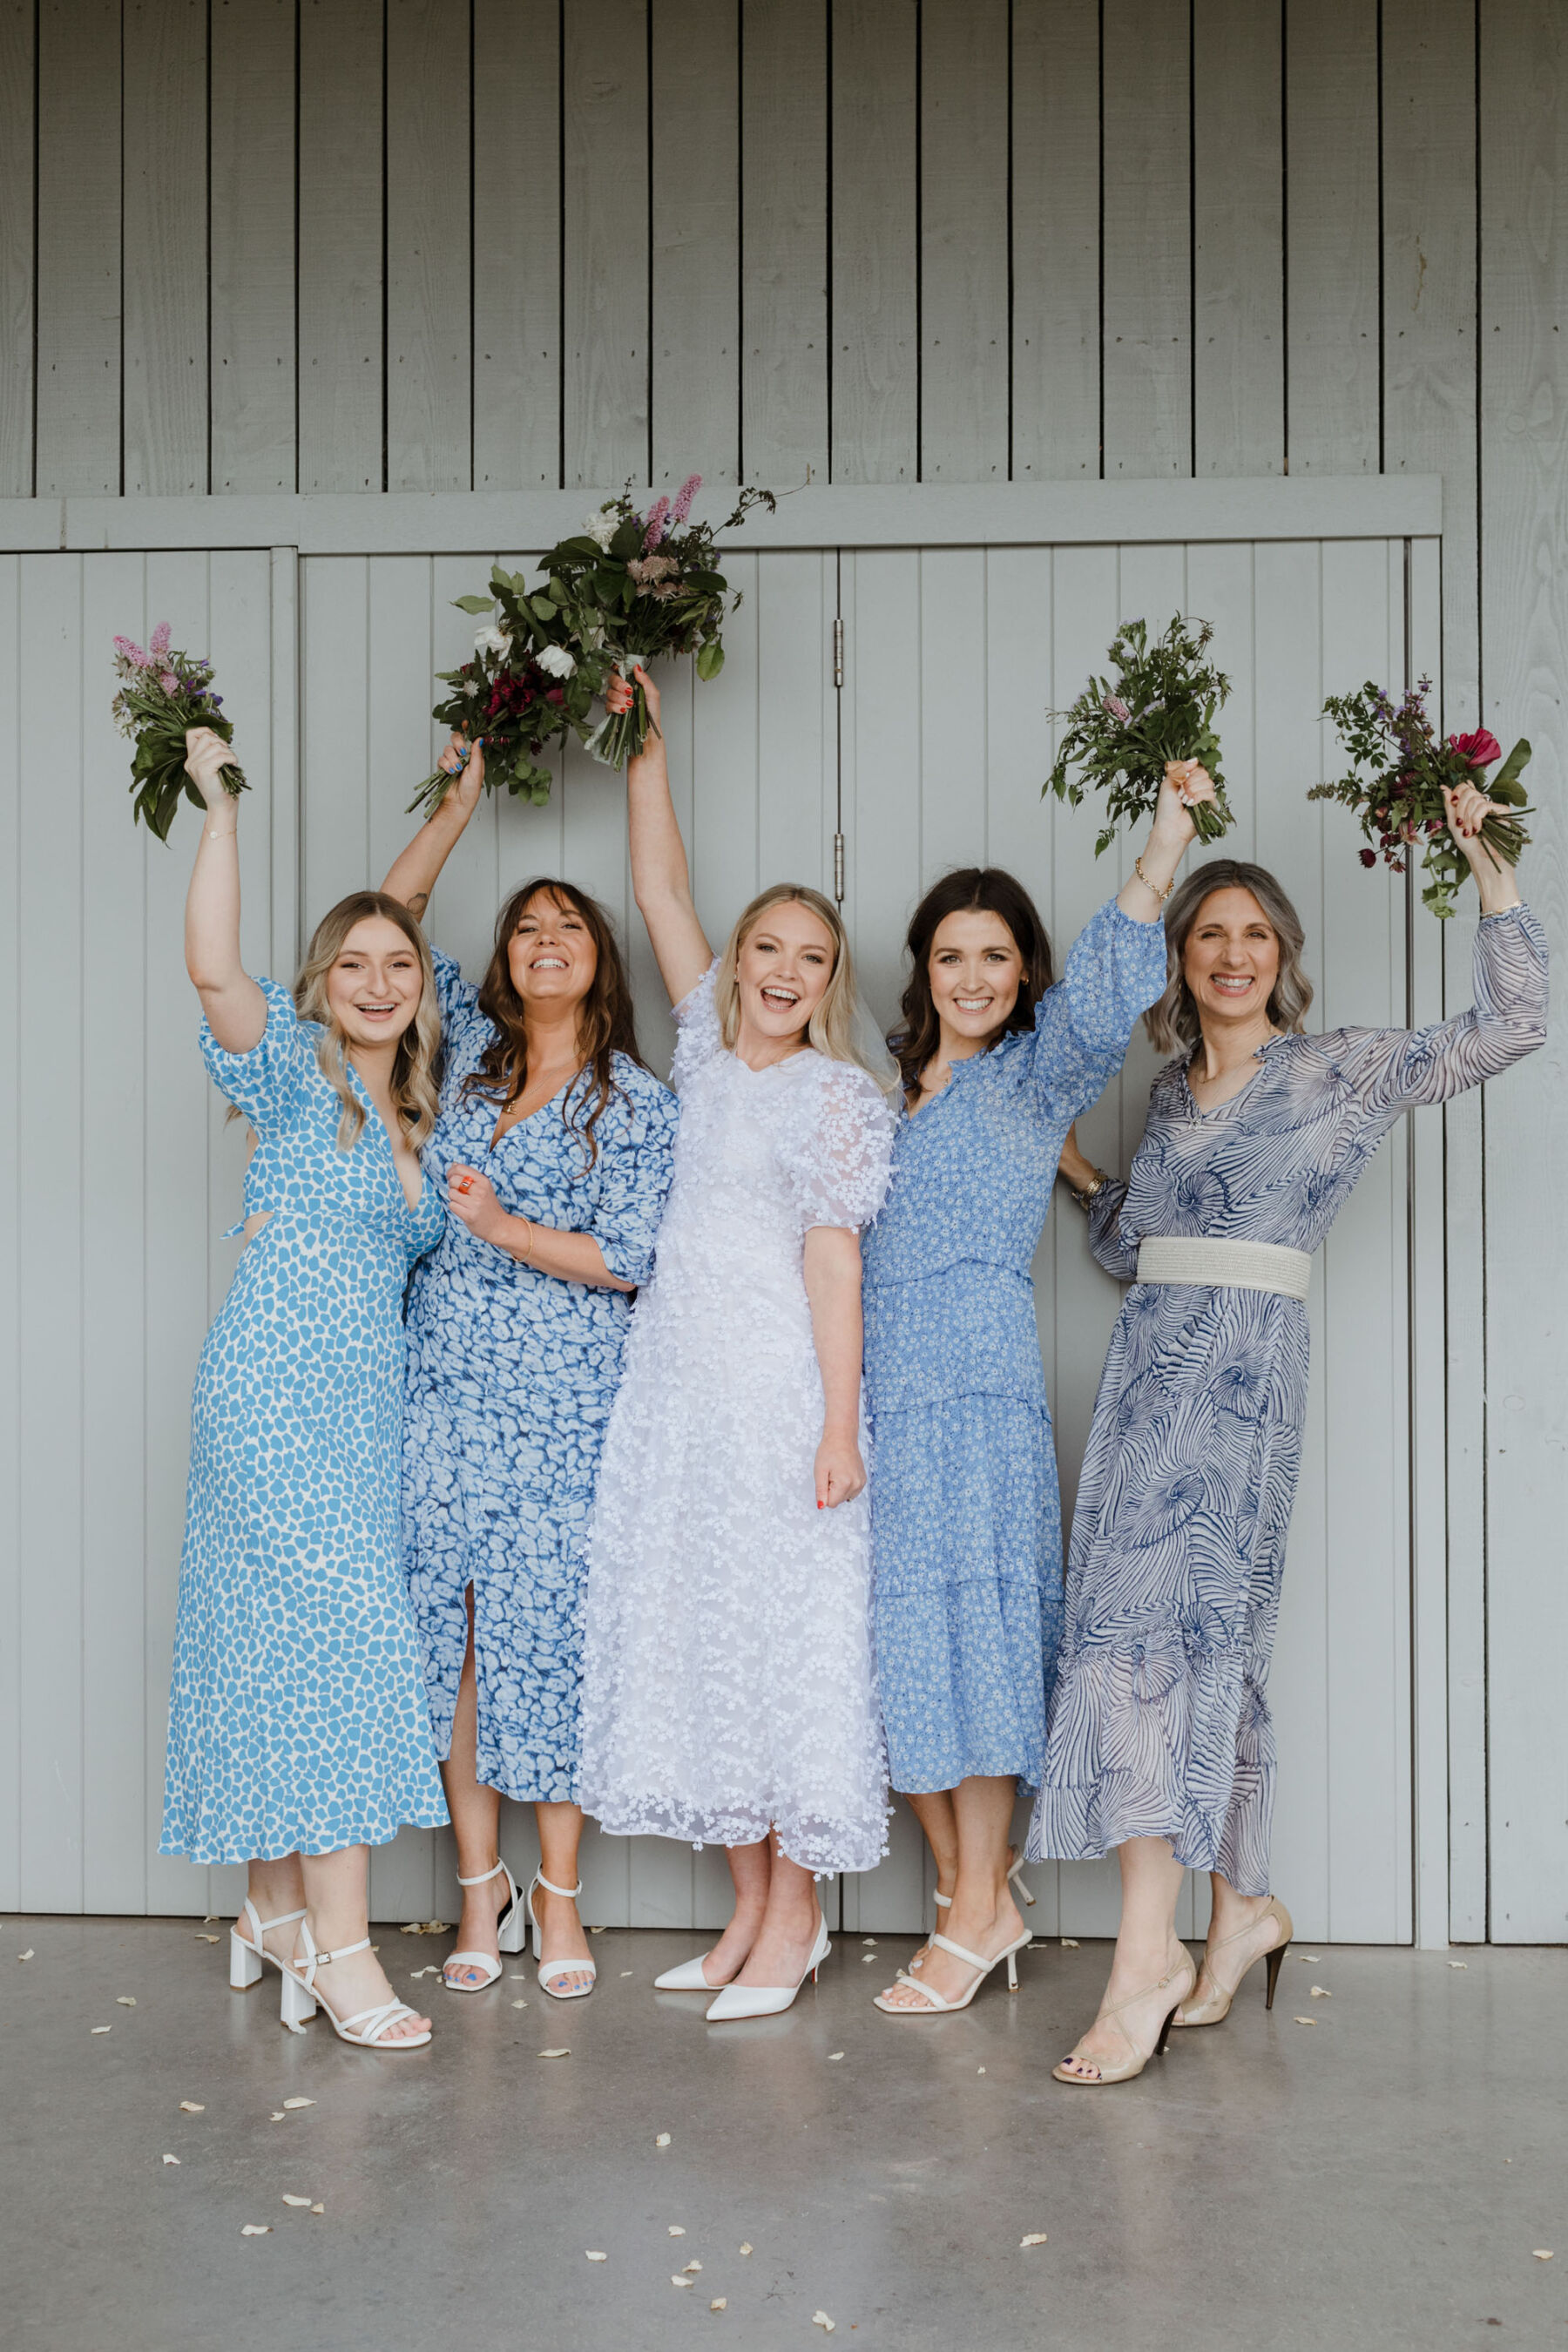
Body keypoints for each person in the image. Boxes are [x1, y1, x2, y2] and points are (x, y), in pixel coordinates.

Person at [1037, 779, 1549, 2084]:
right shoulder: (1162, 1093)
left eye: (1253, 933)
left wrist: (1485, 857)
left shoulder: (1341, 1069)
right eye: (1207, 932)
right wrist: (1075, 1165)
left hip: (1247, 1386)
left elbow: (1518, 1022)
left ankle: (1142, 1958)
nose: (1229, 952)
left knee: (1171, 1643)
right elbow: (1133, 1245)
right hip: (1149, 1374)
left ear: (1284, 956)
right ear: (1181, 959)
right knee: (1165, 1645)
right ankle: (1240, 1913)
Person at [865, 766, 1216, 2017]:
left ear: (1021, 974)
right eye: (952, 955)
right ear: (924, 968)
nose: (972, 977)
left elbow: (1112, 980)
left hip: (973, 1380)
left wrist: (1164, 837)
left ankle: (969, 1913)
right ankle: (982, 1895)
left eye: (995, 956)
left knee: (977, 1636)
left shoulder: (1033, 1074)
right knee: (896, 1642)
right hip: (872, 1388)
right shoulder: (883, 1093)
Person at [577, 664, 896, 2023]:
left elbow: (834, 1264)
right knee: (704, 1640)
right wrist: (641, 738)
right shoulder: (704, 1055)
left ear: (829, 983)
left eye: (808, 960)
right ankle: (749, 1906)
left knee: (776, 1647)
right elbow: (657, 889)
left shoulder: (835, 1099)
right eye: (765, 949)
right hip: (678, 1393)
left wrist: (837, 1425)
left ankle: (799, 1914)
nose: (780, 972)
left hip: (777, 1397)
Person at [163, 727, 447, 2052]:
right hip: (272, 1397)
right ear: (321, 987)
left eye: (399, 967)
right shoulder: (296, 1078)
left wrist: (454, 807)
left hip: (362, 1415)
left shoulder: (414, 1116)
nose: (379, 981)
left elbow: (399, 916)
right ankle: (343, 1952)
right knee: (336, 1652)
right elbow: (214, 963)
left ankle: (272, 1915)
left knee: (292, 1653)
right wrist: (219, 802)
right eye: (353, 964)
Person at [382, 743, 678, 2001]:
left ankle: (560, 1905)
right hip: (442, 1391)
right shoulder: (461, 1063)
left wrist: (502, 1228)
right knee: (450, 1643)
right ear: (504, 963)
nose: (545, 939)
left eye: (569, 925)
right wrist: (454, 810)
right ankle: (476, 1894)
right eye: (525, 928)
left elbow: (630, 1258)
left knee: (545, 1640)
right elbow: (381, 932)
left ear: (599, 959)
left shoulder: (634, 1098)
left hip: (565, 1408)